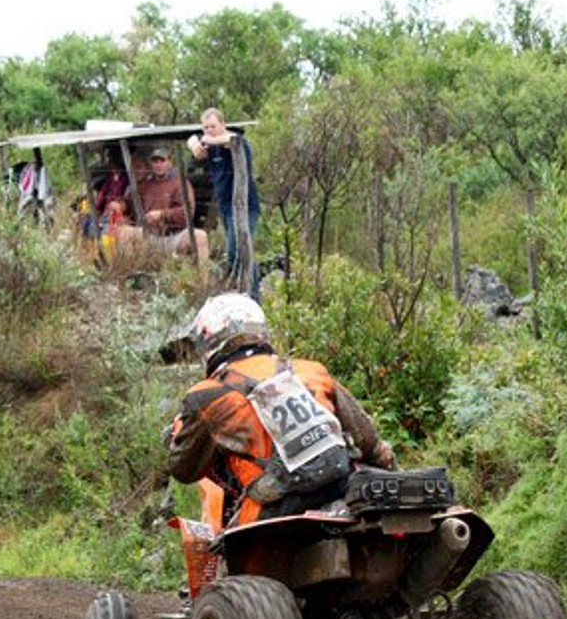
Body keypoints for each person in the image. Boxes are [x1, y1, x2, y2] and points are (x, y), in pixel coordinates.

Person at [165, 293, 395, 529]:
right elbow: (370, 442)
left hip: (271, 519)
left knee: (227, 556)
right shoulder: (311, 371)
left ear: (209, 342)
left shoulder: (207, 396)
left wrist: (177, 433)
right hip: (343, 490)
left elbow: (183, 469)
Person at [190, 109, 260, 293]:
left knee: (239, 252)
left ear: (223, 124)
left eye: (213, 126)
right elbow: (192, 140)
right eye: (205, 127)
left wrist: (207, 139)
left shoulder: (236, 141)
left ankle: (252, 295)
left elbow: (232, 139)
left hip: (244, 207)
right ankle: (244, 292)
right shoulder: (209, 146)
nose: (209, 130)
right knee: (234, 254)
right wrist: (195, 144)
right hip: (226, 207)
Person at [136, 146, 209, 261]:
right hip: (149, 236)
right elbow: (131, 204)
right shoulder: (145, 184)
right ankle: (126, 272)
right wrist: (120, 205)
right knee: (123, 232)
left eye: (162, 160)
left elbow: (187, 213)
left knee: (200, 236)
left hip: (174, 236)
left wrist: (162, 214)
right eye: (155, 161)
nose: (158, 164)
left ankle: (203, 276)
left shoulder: (180, 183)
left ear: (170, 162)